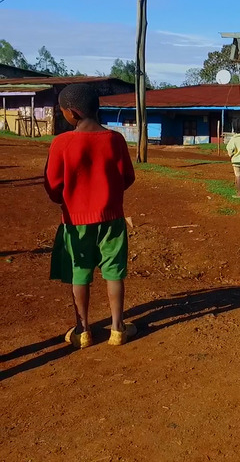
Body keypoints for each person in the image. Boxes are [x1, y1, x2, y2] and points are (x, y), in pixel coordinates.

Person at [44, 83, 137, 348]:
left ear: (72, 113)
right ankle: (118, 330)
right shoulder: (115, 139)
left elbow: (52, 186)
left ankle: (82, 331)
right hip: (112, 220)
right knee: (114, 273)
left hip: (75, 222)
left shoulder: (61, 143)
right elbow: (127, 177)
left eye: (63, 112)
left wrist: (68, 200)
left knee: (79, 274)